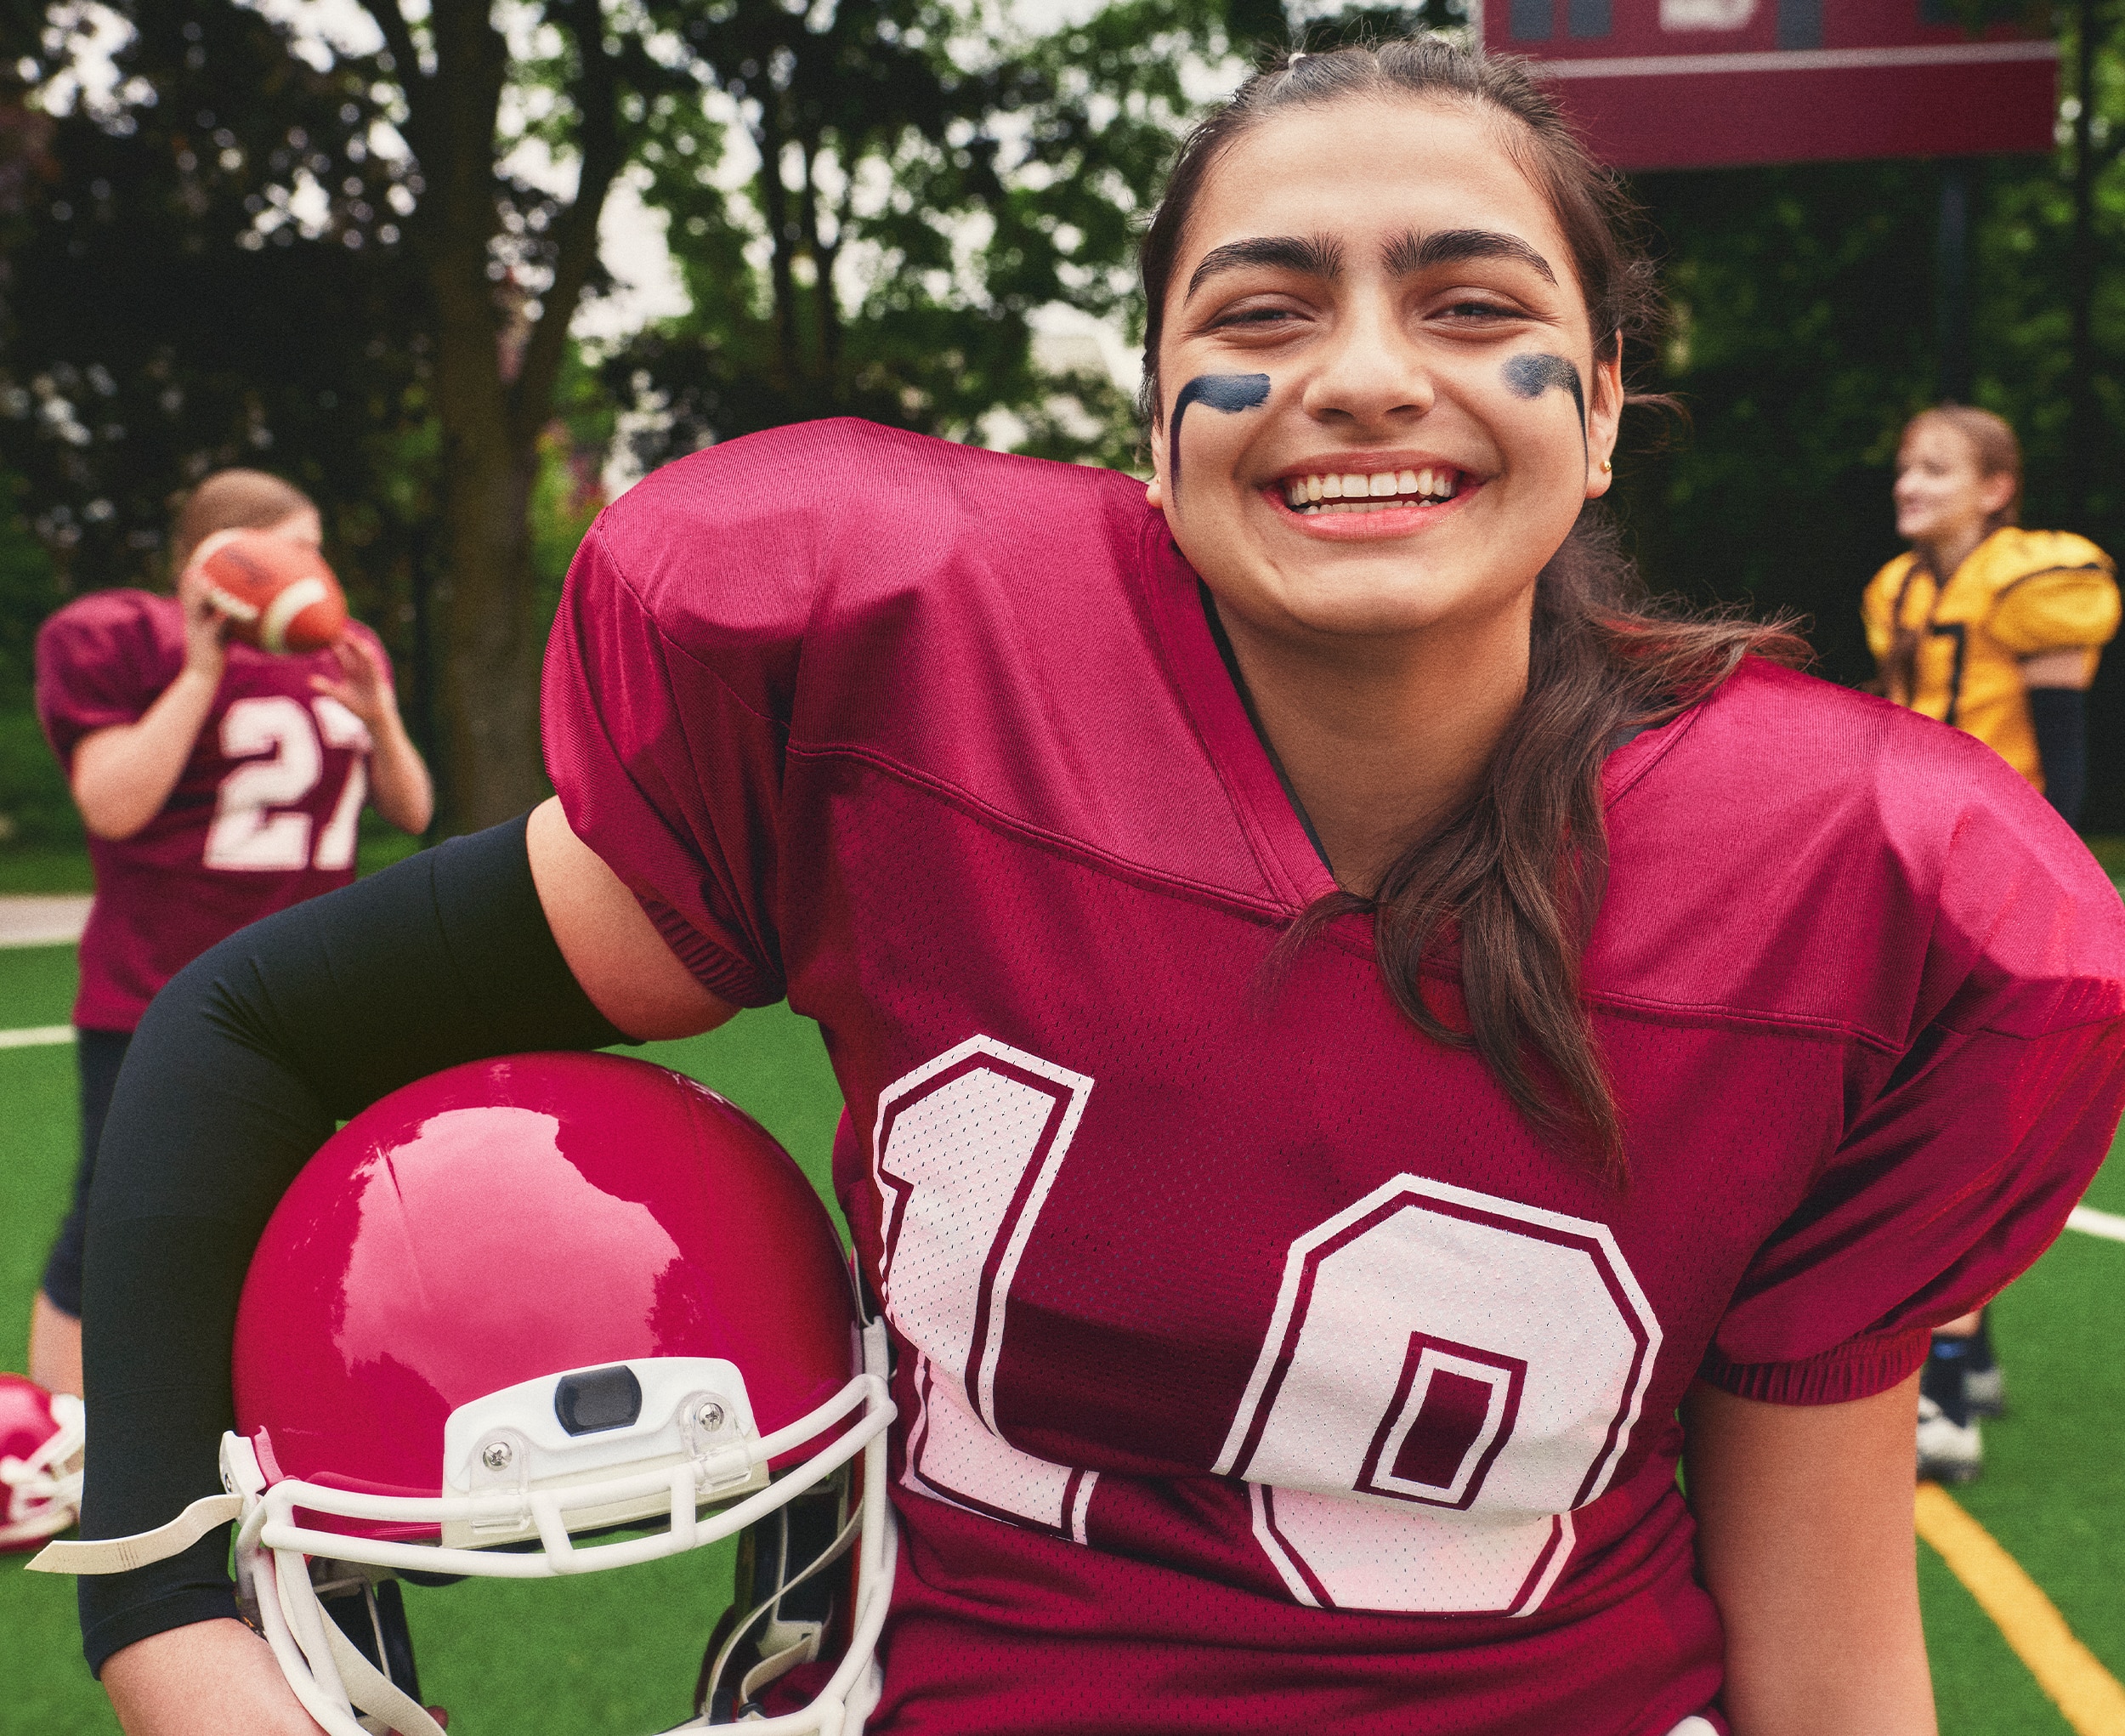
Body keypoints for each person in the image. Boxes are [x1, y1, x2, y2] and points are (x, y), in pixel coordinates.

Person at [60, 39, 2125, 1736]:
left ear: (1598, 416)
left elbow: (1831, 1650)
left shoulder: (1851, 883)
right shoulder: (900, 684)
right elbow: (250, 1016)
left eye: (1474, 303)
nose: (1364, 372)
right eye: (1264, 308)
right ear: (1153, 424)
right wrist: (160, 1604)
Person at [24, 468, 432, 1402]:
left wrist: (382, 717)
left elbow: (412, 808)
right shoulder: (128, 640)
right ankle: (70, 1438)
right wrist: (202, 671)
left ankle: (279, 1415)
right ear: (228, 559)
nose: (319, 570)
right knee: (117, 1218)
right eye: (300, 545)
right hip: (156, 987)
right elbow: (111, 805)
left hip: (305, 989)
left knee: (297, 1209)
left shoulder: (345, 652)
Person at [1862, 406, 2121, 1486]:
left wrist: (2047, 898)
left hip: (2002, 870)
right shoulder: (1898, 588)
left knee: (1956, 1118)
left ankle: (1948, 1388)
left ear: (1997, 488)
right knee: (1924, 1110)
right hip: (1926, 859)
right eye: (1904, 465)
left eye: (1936, 467)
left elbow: (2062, 762)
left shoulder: (2035, 583)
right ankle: (1972, 1348)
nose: (1908, 483)